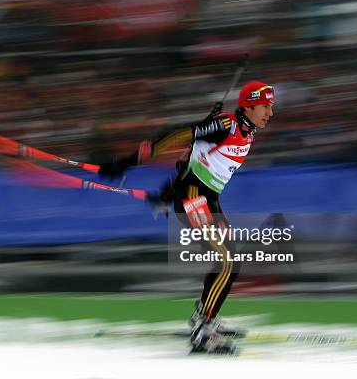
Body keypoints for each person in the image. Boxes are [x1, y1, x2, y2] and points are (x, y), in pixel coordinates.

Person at [98, 81, 275, 354]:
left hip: (207, 198)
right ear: (248, 106)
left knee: (228, 261)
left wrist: (168, 190)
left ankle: (206, 318)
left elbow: (192, 157)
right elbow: (177, 136)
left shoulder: (246, 130)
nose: (270, 113)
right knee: (228, 262)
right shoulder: (227, 125)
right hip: (194, 198)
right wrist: (128, 161)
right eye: (265, 107)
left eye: (270, 107)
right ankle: (203, 331)